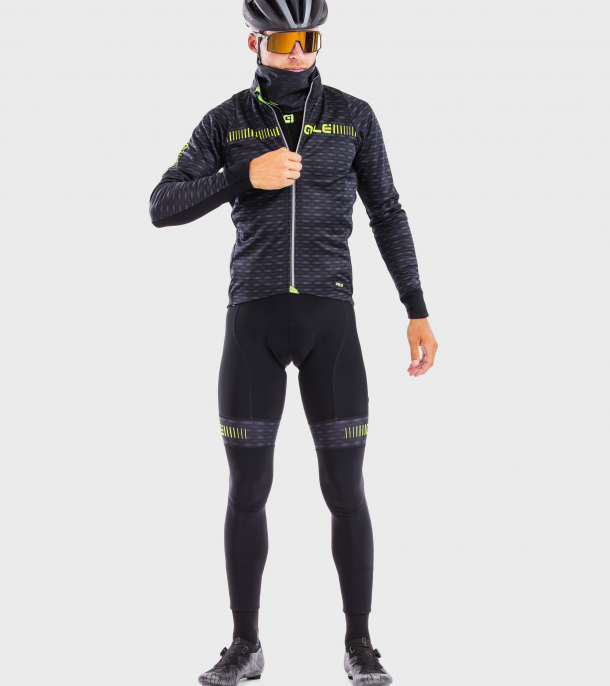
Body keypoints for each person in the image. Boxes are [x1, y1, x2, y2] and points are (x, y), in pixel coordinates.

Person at [149, 1, 438, 683]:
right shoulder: (226, 120)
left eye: (308, 38)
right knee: (248, 487)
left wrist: (416, 308)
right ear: (255, 42)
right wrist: (240, 177)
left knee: (346, 488)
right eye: (283, 40)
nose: (298, 50)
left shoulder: (353, 115)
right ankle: (245, 644)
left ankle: (360, 644)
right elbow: (161, 205)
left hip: (330, 322)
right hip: (252, 319)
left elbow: (388, 211)